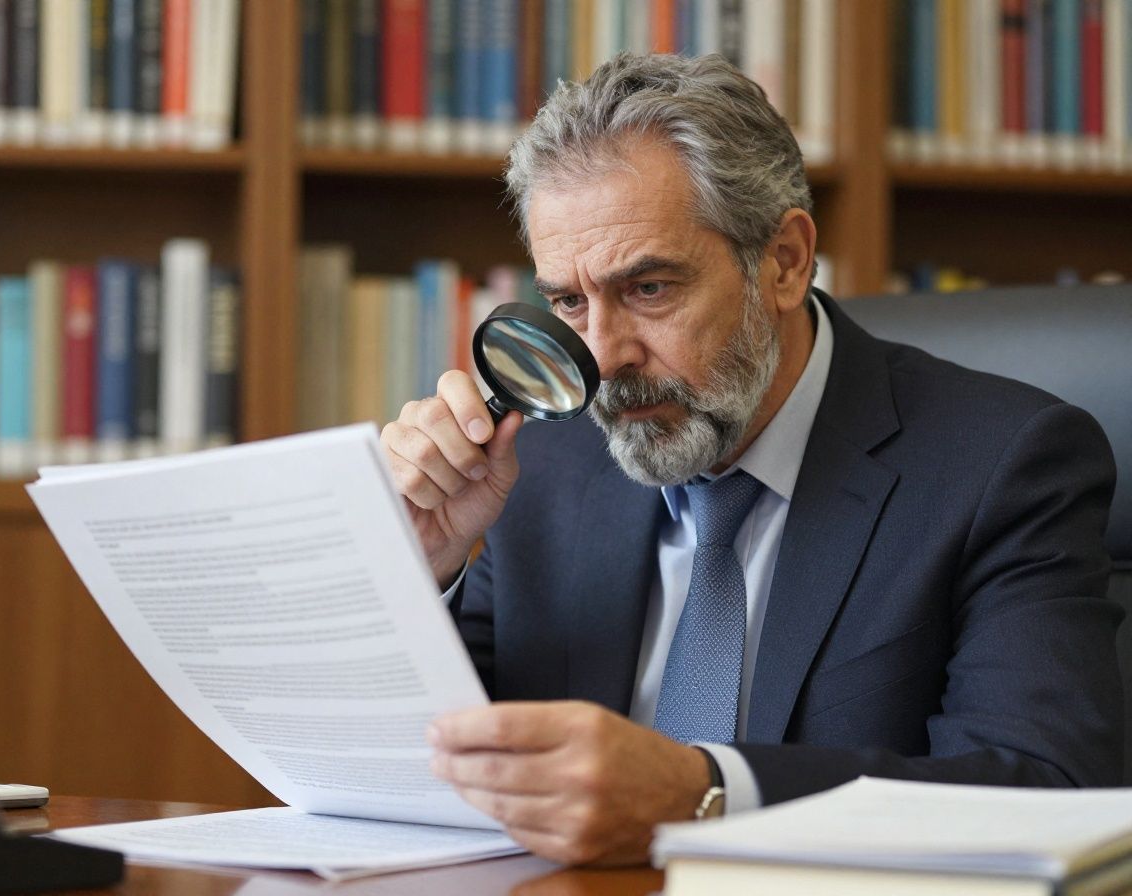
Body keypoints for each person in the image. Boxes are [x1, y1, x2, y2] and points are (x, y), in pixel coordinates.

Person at [380, 53, 1122, 866]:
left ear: (785, 262)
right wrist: (422, 564)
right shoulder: (544, 468)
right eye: (567, 301)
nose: (604, 357)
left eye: (650, 289)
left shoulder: (1003, 465)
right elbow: (419, 767)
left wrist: (706, 795)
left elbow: (1046, 788)